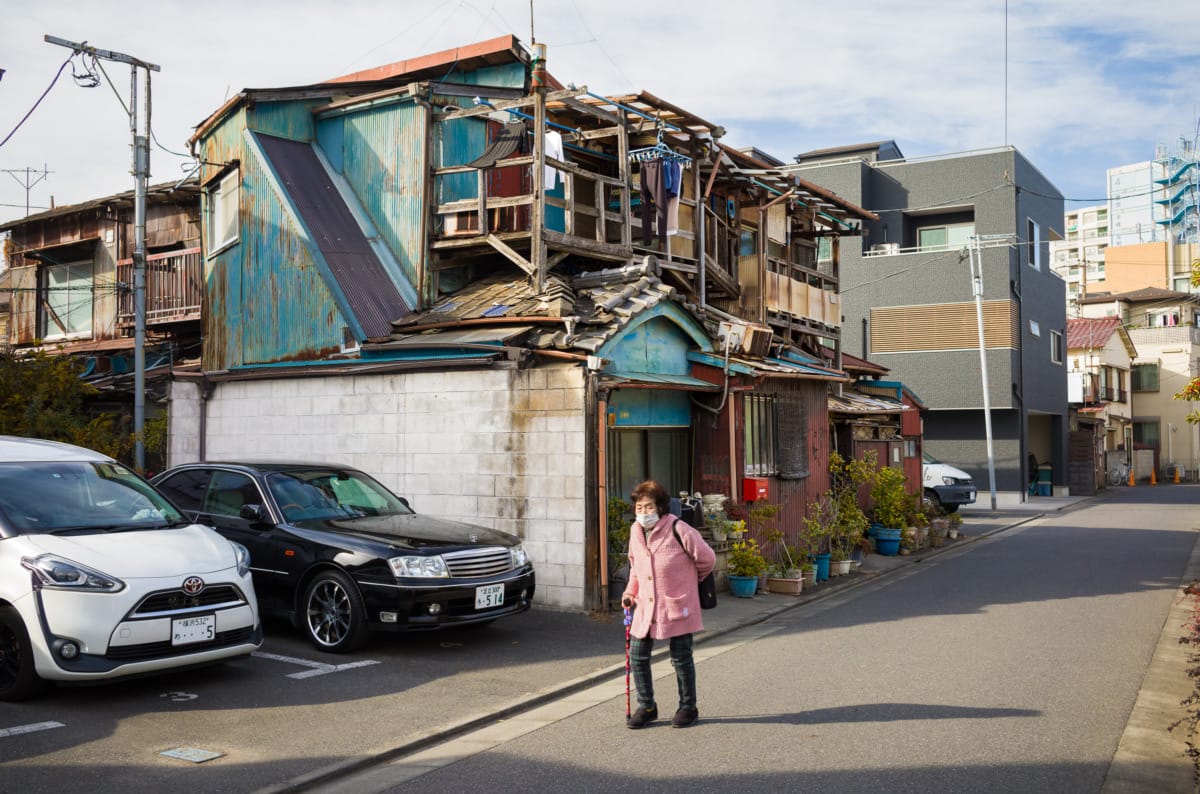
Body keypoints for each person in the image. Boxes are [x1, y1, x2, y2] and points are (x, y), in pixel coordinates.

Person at [620, 480, 716, 729]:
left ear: (661, 507)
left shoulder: (679, 528)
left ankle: (688, 707)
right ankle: (647, 706)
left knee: (681, 658)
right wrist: (630, 592)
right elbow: (635, 567)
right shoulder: (635, 532)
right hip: (645, 606)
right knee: (638, 656)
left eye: (648, 507)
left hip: (677, 605)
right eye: (639, 507)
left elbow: (707, 559)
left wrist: (688, 583)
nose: (643, 512)